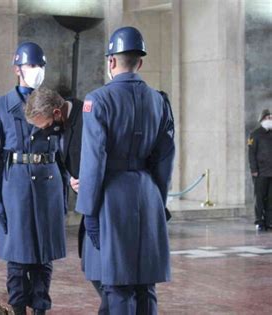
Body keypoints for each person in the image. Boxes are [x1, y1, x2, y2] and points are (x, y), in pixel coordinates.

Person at [75, 26, 175, 314]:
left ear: (110, 61)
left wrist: (89, 211)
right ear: (139, 62)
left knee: (117, 285)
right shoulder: (159, 100)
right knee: (146, 285)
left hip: (111, 196)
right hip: (148, 192)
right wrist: (158, 197)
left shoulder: (98, 100)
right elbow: (165, 157)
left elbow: (94, 159)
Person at [0, 42, 66, 315]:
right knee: (17, 258)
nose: (37, 71)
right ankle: (18, 309)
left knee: (44, 256)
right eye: (32, 66)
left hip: (48, 183)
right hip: (16, 187)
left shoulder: (55, 104)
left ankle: (41, 308)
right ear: (18, 68)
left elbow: (63, 153)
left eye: (41, 66)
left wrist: (64, 194)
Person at [25, 88, 108, 314]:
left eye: (45, 126)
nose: (45, 132)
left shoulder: (88, 117)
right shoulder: (61, 123)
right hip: (88, 202)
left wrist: (90, 181)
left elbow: (103, 156)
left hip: (104, 205)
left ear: (57, 113)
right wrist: (72, 178)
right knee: (93, 268)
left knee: (105, 274)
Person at [248, 109, 272, 231]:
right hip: (260, 172)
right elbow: (251, 154)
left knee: (270, 198)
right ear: (262, 119)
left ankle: (269, 221)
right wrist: (254, 169)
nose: (270, 119)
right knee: (259, 198)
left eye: (271, 117)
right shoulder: (255, 134)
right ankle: (259, 221)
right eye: (268, 117)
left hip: (271, 172)